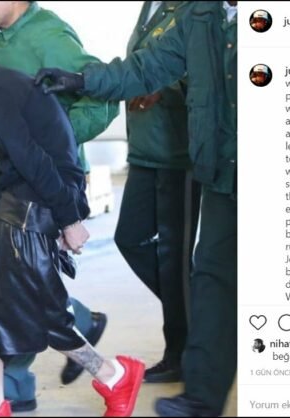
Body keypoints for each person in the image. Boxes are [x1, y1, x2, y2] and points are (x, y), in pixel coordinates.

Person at [0, 23, 145, 418]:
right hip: (21, 199)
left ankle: (114, 375)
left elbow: (33, 159)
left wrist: (68, 219)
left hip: (34, 203)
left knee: (41, 311)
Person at [36, 1, 237, 416]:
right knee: (212, 280)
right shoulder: (201, 14)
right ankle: (201, 400)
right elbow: (145, 67)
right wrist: (81, 80)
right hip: (222, 170)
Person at [0, 2, 118, 411]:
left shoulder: (49, 37)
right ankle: (4, 386)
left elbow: (102, 100)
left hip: (34, 186)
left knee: (11, 288)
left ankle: (12, 386)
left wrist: (49, 141)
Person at [115, 0, 200, 384]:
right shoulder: (152, 6)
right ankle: (205, 319)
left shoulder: (194, 8)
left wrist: (164, 88)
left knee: (174, 258)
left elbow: (210, 71)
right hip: (145, 148)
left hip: (177, 152)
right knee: (129, 238)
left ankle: (182, 352)